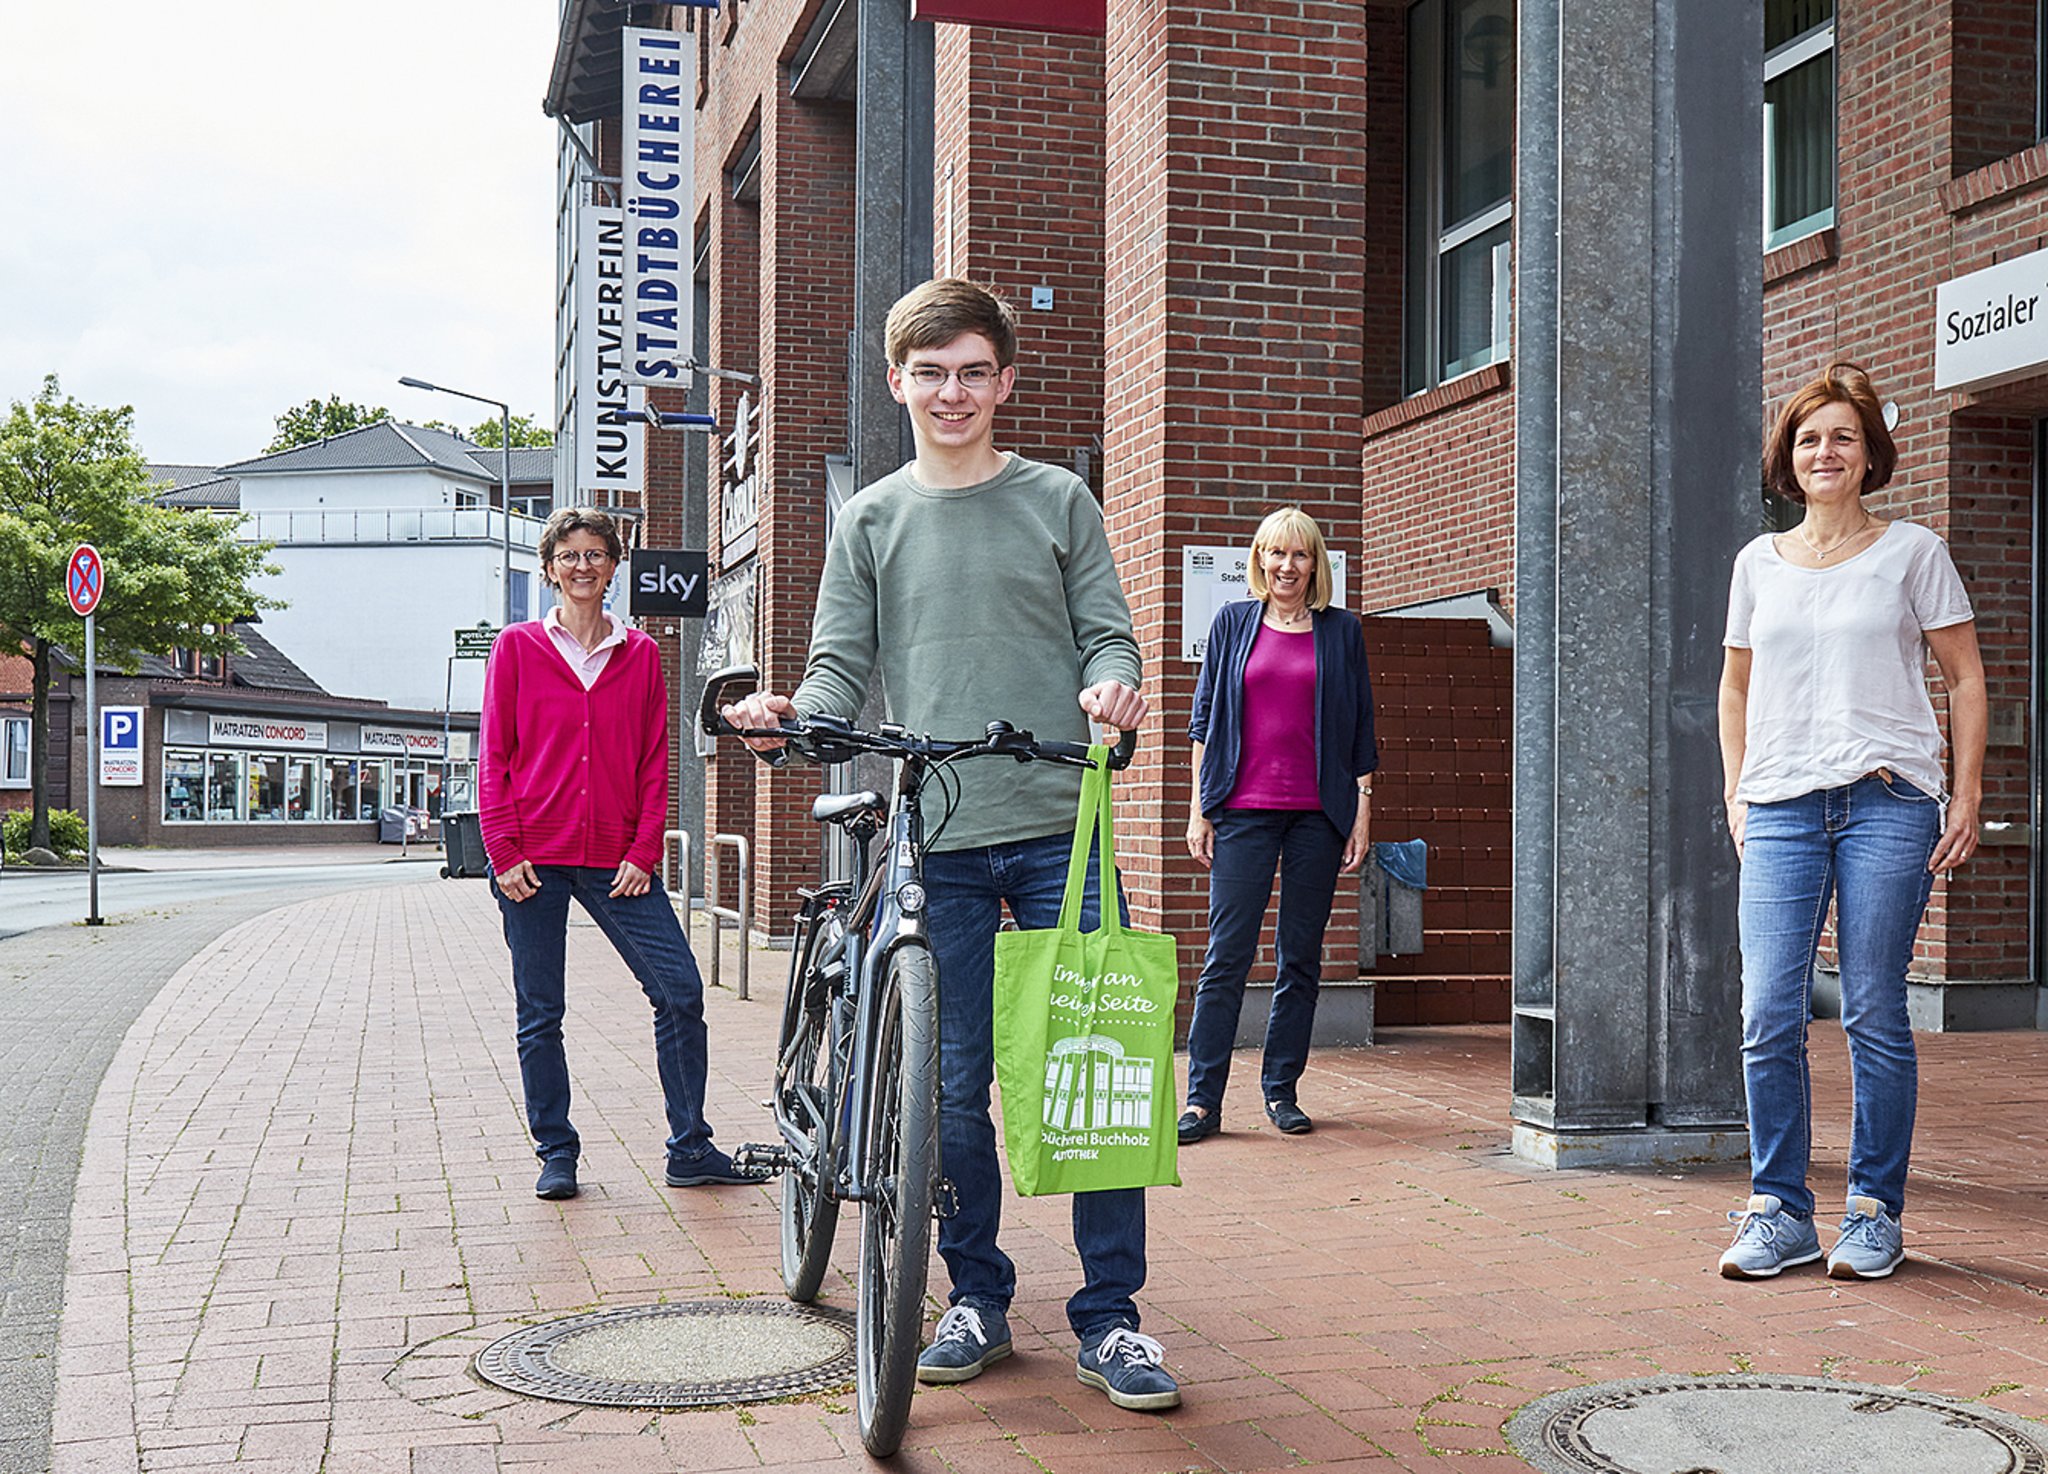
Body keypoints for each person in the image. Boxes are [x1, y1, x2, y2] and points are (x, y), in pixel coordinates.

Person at [721, 278, 1179, 1412]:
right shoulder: (869, 516)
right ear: (896, 382)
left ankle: (1110, 1318)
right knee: (953, 1082)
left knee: (1098, 1074)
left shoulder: (1057, 498)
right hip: (940, 835)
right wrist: (796, 715)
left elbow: (1107, 630)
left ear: (1005, 381)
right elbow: (837, 665)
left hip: (1060, 832)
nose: (952, 390)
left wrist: (1111, 682)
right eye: (930, 371)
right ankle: (975, 1289)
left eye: (973, 370)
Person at [1717, 362, 1985, 1281]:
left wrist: (1970, 792)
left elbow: (1966, 678)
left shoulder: (1912, 551)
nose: (1824, 451)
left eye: (1841, 436)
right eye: (1807, 438)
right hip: (1782, 803)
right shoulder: (1758, 563)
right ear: (1786, 462)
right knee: (1765, 1010)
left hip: (1888, 801)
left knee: (1873, 1008)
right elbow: (1736, 685)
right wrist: (1735, 790)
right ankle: (1780, 1209)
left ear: (1870, 454)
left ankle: (1874, 1210)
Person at [479, 507, 753, 1202]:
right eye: (568, 555)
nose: (581, 566)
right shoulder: (516, 648)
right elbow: (495, 757)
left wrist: (642, 848)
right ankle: (557, 1152)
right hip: (532, 859)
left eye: (595, 554)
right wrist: (504, 851)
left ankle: (689, 1147)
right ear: (549, 567)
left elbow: (653, 763)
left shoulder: (640, 655)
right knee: (541, 1013)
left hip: (615, 859)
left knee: (680, 992)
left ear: (613, 566)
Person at [1179, 508, 1377, 1143]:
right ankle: (1202, 1101)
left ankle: (1281, 1090)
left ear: (1315, 565)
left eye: (1299, 556)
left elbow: (1362, 731)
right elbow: (1203, 722)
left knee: (1301, 958)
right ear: (1258, 561)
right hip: (1242, 811)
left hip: (1319, 815)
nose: (1286, 567)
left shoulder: (1341, 632)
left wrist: (1362, 810)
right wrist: (1199, 807)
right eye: (1275, 554)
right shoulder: (1234, 623)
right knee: (1226, 957)